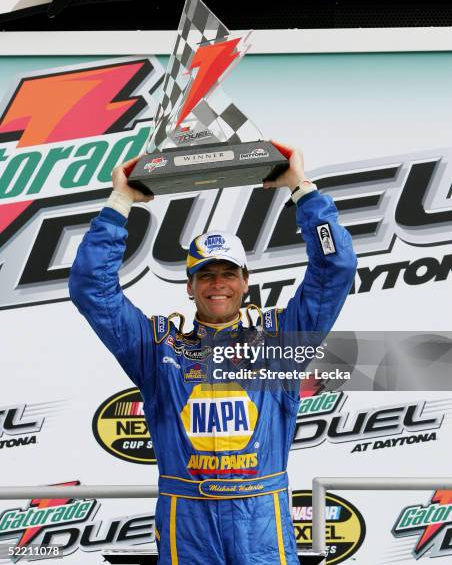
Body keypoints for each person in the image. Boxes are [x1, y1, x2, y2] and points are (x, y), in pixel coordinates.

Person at [69, 141, 357, 565]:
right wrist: (120, 201)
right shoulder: (157, 347)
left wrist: (302, 189)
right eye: (205, 275)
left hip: (260, 517)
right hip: (187, 521)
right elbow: (91, 287)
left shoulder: (281, 341)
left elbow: (335, 269)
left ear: (245, 281)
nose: (216, 284)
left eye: (227, 273)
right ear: (189, 286)